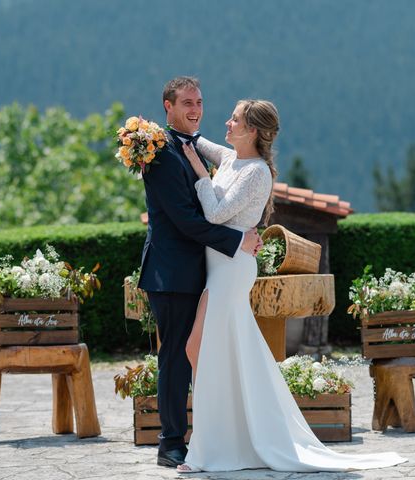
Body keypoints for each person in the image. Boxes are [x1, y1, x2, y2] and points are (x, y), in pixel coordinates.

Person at [177, 99, 408, 473]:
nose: (227, 122)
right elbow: (196, 141)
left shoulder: (257, 173)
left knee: (201, 347)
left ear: (251, 130)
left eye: (234, 119)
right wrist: (160, 135)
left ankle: (210, 447)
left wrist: (201, 176)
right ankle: (224, 437)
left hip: (232, 270)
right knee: (211, 351)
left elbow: (217, 214)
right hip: (217, 269)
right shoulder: (231, 157)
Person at [137, 77, 263, 468]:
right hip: (171, 273)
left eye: (200, 102)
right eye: (187, 102)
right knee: (175, 356)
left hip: (204, 273)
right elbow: (186, 221)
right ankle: (170, 443)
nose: (195, 109)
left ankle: (211, 436)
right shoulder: (158, 155)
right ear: (167, 106)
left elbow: (236, 163)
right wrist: (237, 240)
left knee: (206, 355)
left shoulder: (192, 146)